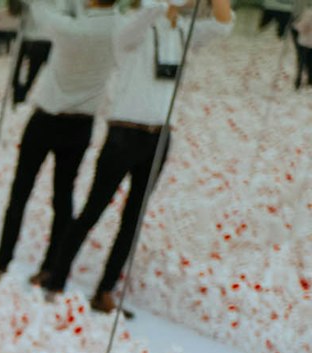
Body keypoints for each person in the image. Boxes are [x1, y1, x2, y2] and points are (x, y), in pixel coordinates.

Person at [38, 0, 230, 310]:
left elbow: (222, 24)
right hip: (124, 133)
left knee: (132, 219)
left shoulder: (182, 30)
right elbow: (139, 22)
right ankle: (56, 279)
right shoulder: (132, 25)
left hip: (159, 136)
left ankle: (105, 290)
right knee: (93, 210)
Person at [0, 0, 125, 282]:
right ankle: (50, 267)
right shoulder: (119, 29)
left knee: (21, 190)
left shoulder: (71, 29)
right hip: (81, 124)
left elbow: (40, 9)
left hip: (46, 119)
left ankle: (3, 263)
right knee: (63, 197)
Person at [9, 0, 51, 100]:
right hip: (38, 37)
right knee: (29, 72)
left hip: (35, 37)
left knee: (27, 71)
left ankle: (21, 93)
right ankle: (21, 92)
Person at [296, 5, 312, 88]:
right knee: (310, 62)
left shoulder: (309, 12)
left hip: (305, 42)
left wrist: (296, 25)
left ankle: (298, 80)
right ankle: (310, 80)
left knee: (301, 62)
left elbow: (303, 27)